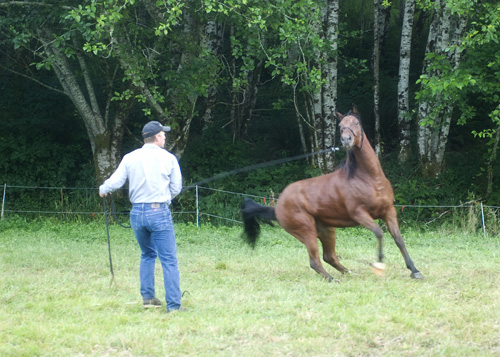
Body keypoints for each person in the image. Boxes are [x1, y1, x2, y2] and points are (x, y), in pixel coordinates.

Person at [99, 121, 184, 312]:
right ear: (156, 137)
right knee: (169, 260)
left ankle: (148, 298)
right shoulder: (169, 158)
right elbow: (176, 187)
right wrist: (165, 199)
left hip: (137, 213)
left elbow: (116, 181)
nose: (165, 137)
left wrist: (103, 188)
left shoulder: (130, 157)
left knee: (147, 254)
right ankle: (174, 307)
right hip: (159, 212)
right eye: (163, 134)